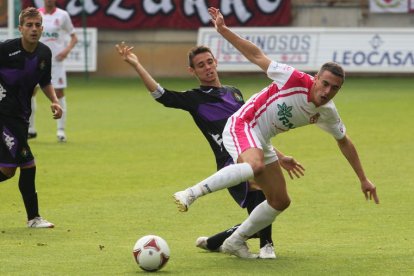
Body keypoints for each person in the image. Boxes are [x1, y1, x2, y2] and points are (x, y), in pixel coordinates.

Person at [173, 7, 380, 259]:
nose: (327, 91)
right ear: (316, 79)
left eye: (334, 88)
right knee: (255, 166)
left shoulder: (327, 111)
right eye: (324, 83)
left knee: (280, 200)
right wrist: (224, 31)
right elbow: (257, 55)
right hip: (243, 123)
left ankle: (235, 242)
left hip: (263, 140)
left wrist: (363, 178)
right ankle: (192, 193)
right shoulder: (293, 78)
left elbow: (344, 141)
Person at [115, 42, 305, 259]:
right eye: (200, 65)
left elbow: (254, 132)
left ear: (216, 62)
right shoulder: (196, 99)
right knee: (259, 182)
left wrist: (280, 157)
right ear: (192, 71)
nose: (207, 67)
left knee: (265, 212)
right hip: (229, 162)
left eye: (209, 62)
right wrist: (137, 65)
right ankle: (267, 246)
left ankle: (214, 242)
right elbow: (163, 96)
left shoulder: (234, 93)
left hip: (250, 153)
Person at [0, 7, 63, 227]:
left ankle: (34, 218)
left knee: (14, 169)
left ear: (42, 28)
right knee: (22, 165)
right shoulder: (6, 50)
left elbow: (44, 80)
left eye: (37, 25)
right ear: (20, 28)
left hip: (20, 116)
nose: (34, 29)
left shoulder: (44, 53)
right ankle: (33, 218)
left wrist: (54, 100)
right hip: (4, 115)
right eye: (29, 25)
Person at [28, 0, 78, 142]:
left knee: (59, 93)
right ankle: (30, 129)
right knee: (30, 92)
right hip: (37, 61)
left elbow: (74, 37)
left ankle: (60, 131)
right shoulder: (36, 15)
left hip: (56, 62)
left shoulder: (63, 15)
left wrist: (66, 51)